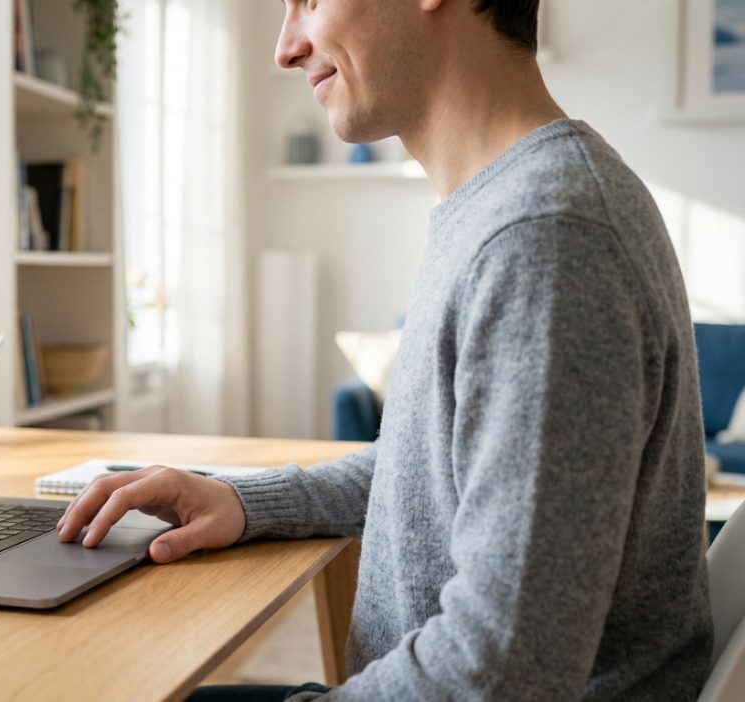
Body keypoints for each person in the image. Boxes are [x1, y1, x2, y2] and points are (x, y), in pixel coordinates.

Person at [56, 0, 714, 699]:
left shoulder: (544, 236)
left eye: (309, 1)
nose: (285, 47)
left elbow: (501, 670)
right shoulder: (504, 208)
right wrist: (243, 502)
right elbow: (434, 467)